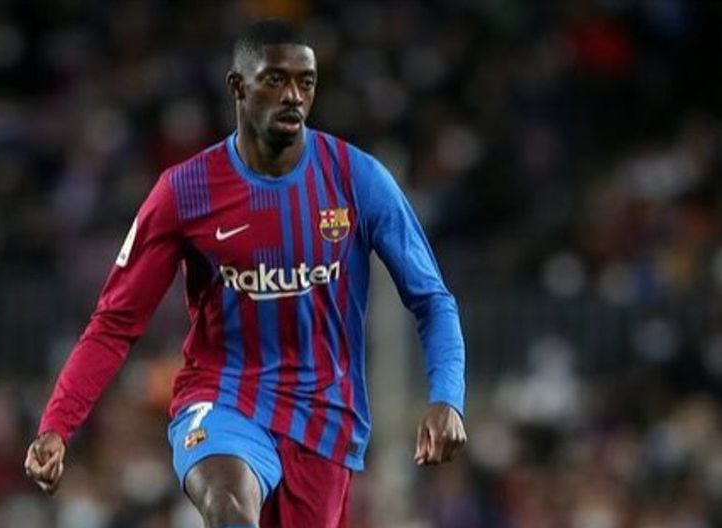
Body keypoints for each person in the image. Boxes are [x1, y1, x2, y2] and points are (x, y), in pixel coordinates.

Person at [25, 19, 467, 528]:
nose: (293, 96)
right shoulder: (185, 191)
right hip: (223, 398)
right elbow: (115, 323)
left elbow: (431, 299)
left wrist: (447, 397)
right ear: (238, 86)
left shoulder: (356, 178)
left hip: (323, 418)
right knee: (228, 505)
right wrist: (57, 424)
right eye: (275, 80)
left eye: (305, 82)